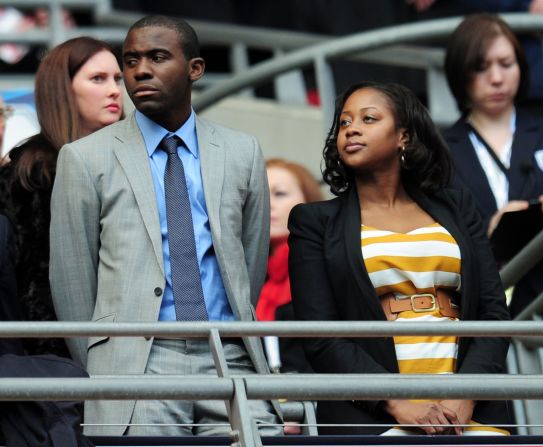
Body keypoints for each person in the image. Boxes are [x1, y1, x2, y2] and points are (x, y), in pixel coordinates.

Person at [50, 14, 282, 437]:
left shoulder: (241, 151)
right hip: (136, 359)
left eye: (157, 57)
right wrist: (104, 363)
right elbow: (72, 280)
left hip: (228, 351)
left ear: (195, 69)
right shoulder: (84, 157)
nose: (140, 70)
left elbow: (248, 263)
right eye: (131, 60)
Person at [288, 80, 512, 436]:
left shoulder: (457, 206)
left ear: (403, 136)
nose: (352, 129)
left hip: (470, 413)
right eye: (344, 123)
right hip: (374, 417)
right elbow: (321, 337)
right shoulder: (314, 222)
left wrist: (466, 394)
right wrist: (396, 401)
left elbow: (493, 314)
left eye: (369, 118)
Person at [0, 36, 123, 358]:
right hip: (58, 359)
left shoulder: (143, 163)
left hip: (135, 342)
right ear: (63, 89)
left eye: (117, 79)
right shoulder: (31, 174)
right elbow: (29, 284)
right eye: (98, 79)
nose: (114, 90)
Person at [443, 14, 543, 317]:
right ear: (460, 73)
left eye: (506, 63)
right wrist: (489, 231)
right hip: (481, 310)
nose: (497, 78)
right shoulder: (438, 151)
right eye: (481, 67)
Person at [257, 158, 323, 373]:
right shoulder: (243, 272)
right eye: (260, 195)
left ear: (308, 200)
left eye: (280, 194)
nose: (268, 204)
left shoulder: (326, 264)